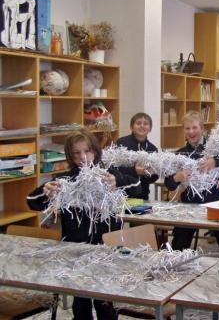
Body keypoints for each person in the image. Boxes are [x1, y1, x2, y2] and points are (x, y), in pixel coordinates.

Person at [27, 130, 139, 320]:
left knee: (105, 304)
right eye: (76, 153)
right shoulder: (66, 181)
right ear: (70, 156)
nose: (83, 157)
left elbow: (138, 186)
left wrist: (117, 182)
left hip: (107, 249)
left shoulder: (108, 175)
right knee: (80, 303)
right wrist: (47, 192)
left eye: (87, 151)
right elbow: (31, 201)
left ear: (95, 151)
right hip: (76, 250)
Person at [164, 111, 219, 257]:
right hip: (190, 204)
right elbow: (168, 184)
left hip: (216, 202)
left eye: (194, 127)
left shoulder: (214, 148)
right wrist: (177, 177)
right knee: (179, 244)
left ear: (202, 128)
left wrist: (216, 161)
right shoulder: (180, 153)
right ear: (183, 130)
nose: (191, 132)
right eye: (187, 128)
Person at [116, 112, 158, 200]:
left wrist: (148, 173)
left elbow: (155, 177)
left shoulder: (153, 149)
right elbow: (115, 169)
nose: (142, 126)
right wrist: (134, 171)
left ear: (150, 128)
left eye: (145, 124)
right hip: (122, 194)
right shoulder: (121, 143)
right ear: (131, 127)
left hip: (142, 195)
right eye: (138, 123)